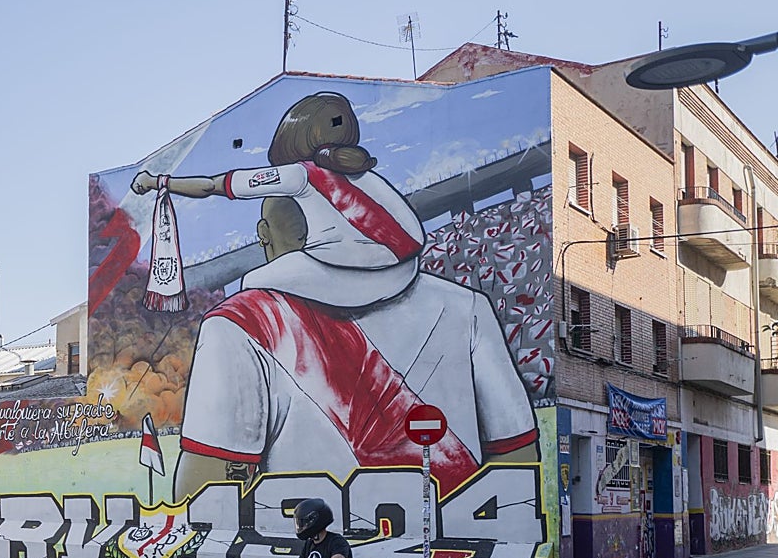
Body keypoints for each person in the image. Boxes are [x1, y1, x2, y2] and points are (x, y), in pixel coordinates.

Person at [135, 92, 539, 502]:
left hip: (339, 271)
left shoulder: (244, 315)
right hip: (401, 266)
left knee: (253, 291)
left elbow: (215, 186)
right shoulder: (465, 302)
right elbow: (518, 449)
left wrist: (159, 183)